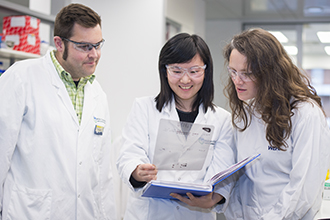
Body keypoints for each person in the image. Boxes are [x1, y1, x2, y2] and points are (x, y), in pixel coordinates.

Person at [0, 4, 116, 219]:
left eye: (98, 45)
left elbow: (102, 171)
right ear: (59, 43)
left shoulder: (98, 94)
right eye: (84, 46)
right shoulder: (21, 78)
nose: (95, 54)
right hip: (29, 211)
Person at [116, 33, 235, 220]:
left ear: (206, 71)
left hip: (196, 214)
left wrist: (214, 198)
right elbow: (128, 154)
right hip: (150, 213)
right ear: (165, 71)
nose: (185, 80)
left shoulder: (222, 120)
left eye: (194, 71)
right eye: (177, 71)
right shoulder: (144, 108)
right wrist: (137, 171)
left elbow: (222, 172)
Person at [223, 28, 330, 220]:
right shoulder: (246, 112)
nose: (237, 81)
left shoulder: (305, 114)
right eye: (233, 71)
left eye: (247, 73)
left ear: (269, 73)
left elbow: (303, 190)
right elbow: (242, 180)